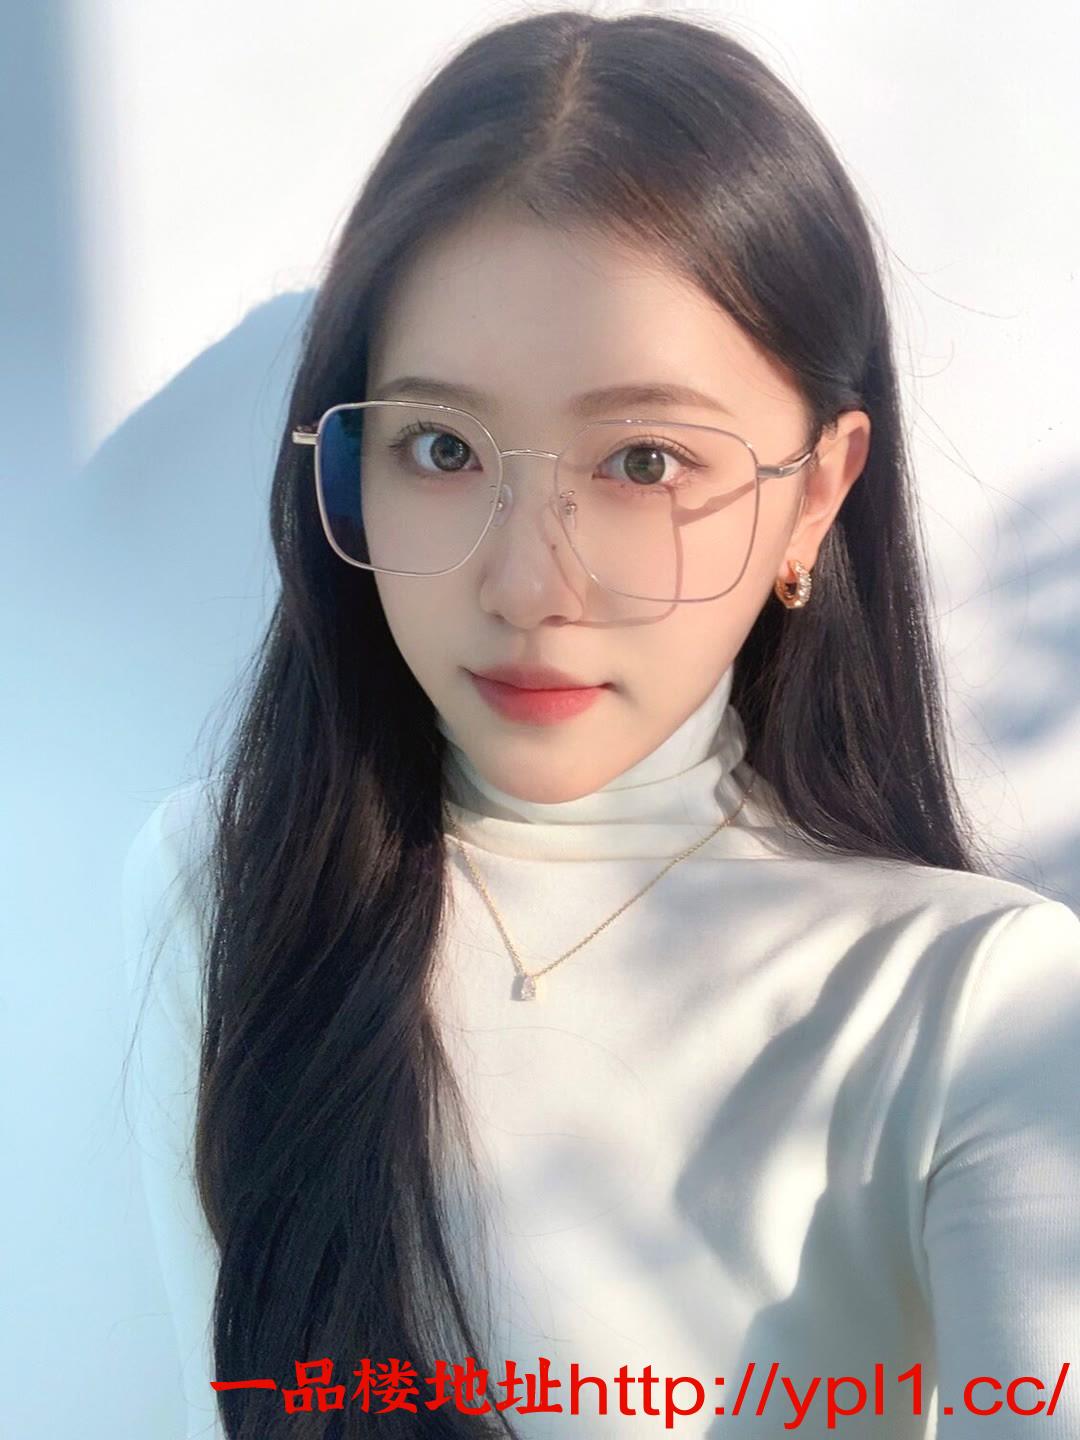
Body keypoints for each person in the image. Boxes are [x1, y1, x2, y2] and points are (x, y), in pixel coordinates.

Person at [120, 9, 1080, 1439]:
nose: (528, 586)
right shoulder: (234, 887)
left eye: (643, 462)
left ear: (816, 495)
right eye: (441, 448)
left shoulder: (976, 1001)